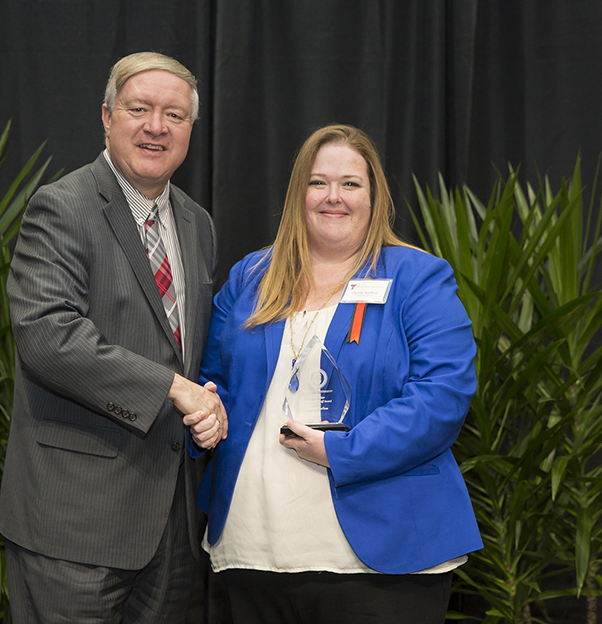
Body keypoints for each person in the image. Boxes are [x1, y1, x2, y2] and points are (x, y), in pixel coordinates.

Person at [187, 124, 483, 623]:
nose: (333, 197)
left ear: (375, 197)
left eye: (351, 184)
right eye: (318, 182)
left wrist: (342, 451)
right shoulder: (250, 277)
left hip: (383, 561)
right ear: (298, 193)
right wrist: (205, 416)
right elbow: (212, 384)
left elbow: (442, 396)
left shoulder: (417, 277)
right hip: (252, 549)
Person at [0, 51, 227, 624]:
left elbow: (188, 350)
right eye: (139, 108)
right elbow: (48, 336)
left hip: (172, 528)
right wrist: (176, 389)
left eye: (175, 115)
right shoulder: (62, 206)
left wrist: (210, 398)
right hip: (74, 526)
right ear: (106, 116)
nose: (157, 126)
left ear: (191, 131)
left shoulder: (197, 222)